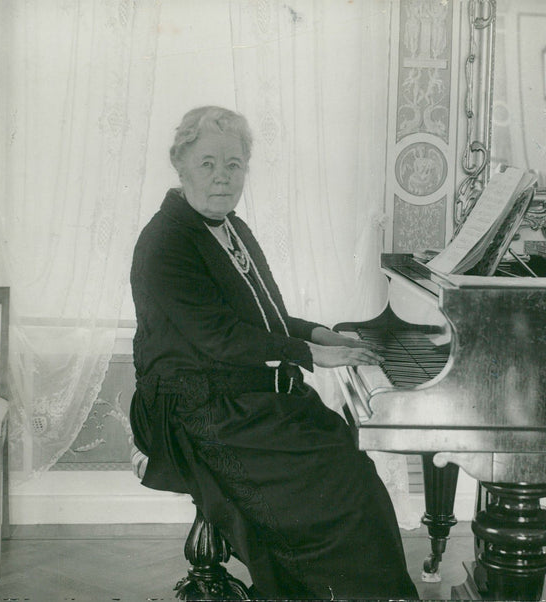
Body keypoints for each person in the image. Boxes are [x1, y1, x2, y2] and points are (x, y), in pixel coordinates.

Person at [129, 106, 419, 599]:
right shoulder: (166, 241)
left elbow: (267, 320)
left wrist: (322, 335)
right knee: (335, 485)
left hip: (243, 397)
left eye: (234, 164)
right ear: (180, 166)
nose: (223, 177)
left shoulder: (231, 229)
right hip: (194, 408)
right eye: (208, 164)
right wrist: (308, 353)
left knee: (352, 470)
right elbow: (219, 337)